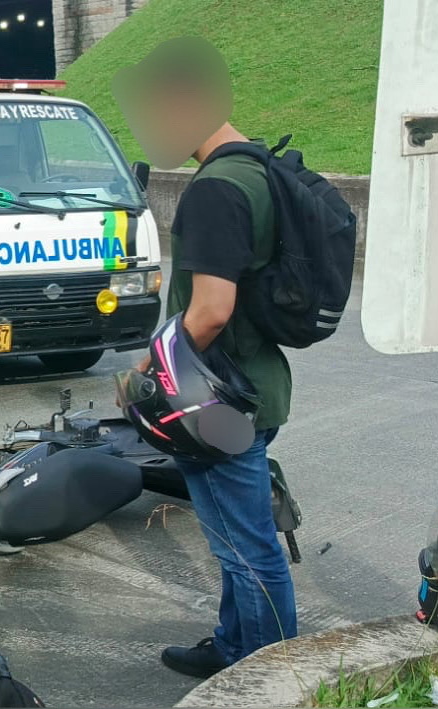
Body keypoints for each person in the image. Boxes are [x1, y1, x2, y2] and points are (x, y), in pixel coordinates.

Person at [113, 36, 297, 678]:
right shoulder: (259, 169)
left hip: (215, 396)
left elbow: (212, 309)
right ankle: (233, 645)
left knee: (247, 549)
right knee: (235, 540)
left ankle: (269, 676)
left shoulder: (217, 188)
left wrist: (145, 370)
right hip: (254, 383)